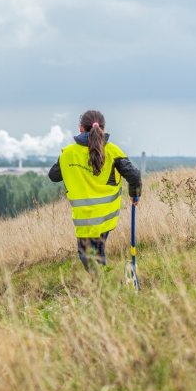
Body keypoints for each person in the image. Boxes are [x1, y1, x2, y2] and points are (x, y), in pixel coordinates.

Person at [48, 110, 142, 276]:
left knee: (87, 257)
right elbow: (134, 175)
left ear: (80, 128)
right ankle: (103, 286)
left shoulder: (69, 153)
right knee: (98, 252)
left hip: (85, 218)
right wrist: (134, 194)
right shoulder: (112, 151)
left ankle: (103, 286)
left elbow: (53, 176)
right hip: (106, 215)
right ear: (103, 129)